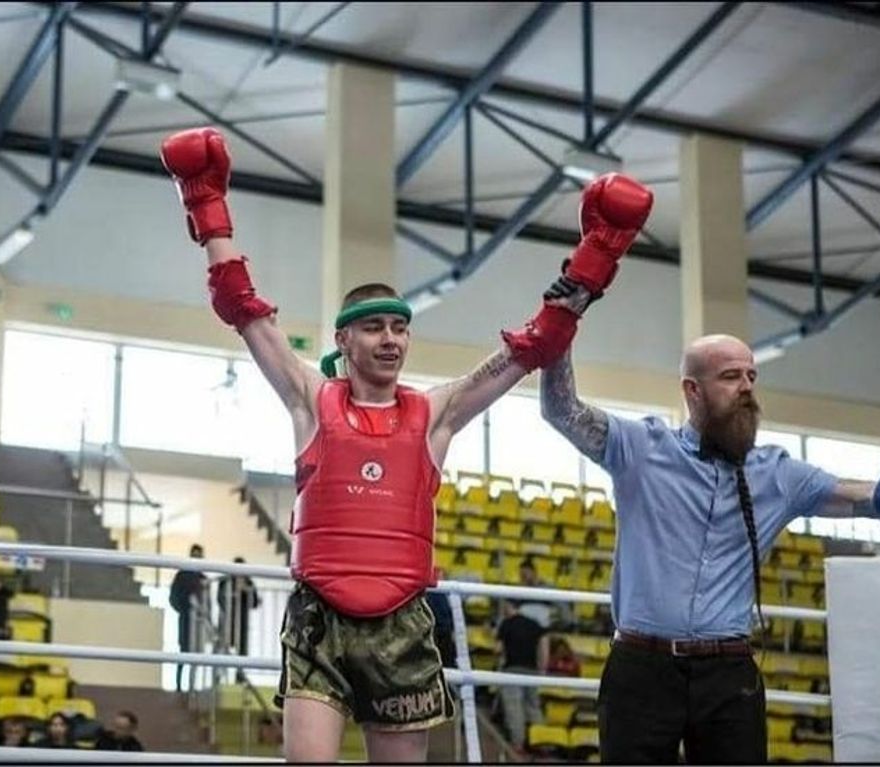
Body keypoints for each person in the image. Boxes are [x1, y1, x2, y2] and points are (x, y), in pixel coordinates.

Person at [160, 126, 652, 762]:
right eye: (374, 328)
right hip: (320, 616)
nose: (390, 339)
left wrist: (588, 272)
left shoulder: (436, 412)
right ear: (347, 340)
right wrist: (208, 207)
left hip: (403, 619)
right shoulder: (311, 399)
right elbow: (244, 310)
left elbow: (529, 351)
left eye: (399, 328)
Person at [539, 333, 880, 763]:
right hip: (641, 668)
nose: (746, 387)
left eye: (751, 376)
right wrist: (562, 327)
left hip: (729, 676)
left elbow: (868, 496)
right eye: (730, 376)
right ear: (693, 390)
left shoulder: (777, 474)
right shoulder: (642, 449)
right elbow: (562, 410)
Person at [494, 600, 549, 754]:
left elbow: (498, 649)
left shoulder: (506, 624)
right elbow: (544, 645)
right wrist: (542, 667)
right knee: (533, 707)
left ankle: (518, 743)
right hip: (532, 670)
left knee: (514, 708)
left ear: (507, 606)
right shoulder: (533, 624)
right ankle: (541, 742)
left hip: (512, 669)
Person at [169, 543, 207, 691]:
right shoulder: (181, 576)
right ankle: (178, 685)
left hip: (199, 623)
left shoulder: (203, 579)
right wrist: (184, 609)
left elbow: (207, 602)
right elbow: (173, 598)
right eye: (195, 556)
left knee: (197, 654)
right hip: (185, 619)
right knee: (183, 652)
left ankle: (192, 686)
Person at [217, 557, 260, 661]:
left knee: (242, 648)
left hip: (242, 621)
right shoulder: (225, 581)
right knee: (223, 646)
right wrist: (232, 593)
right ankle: (221, 672)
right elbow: (220, 600)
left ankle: (239, 672)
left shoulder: (248, 582)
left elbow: (254, 603)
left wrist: (246, 591)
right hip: (227, 620)